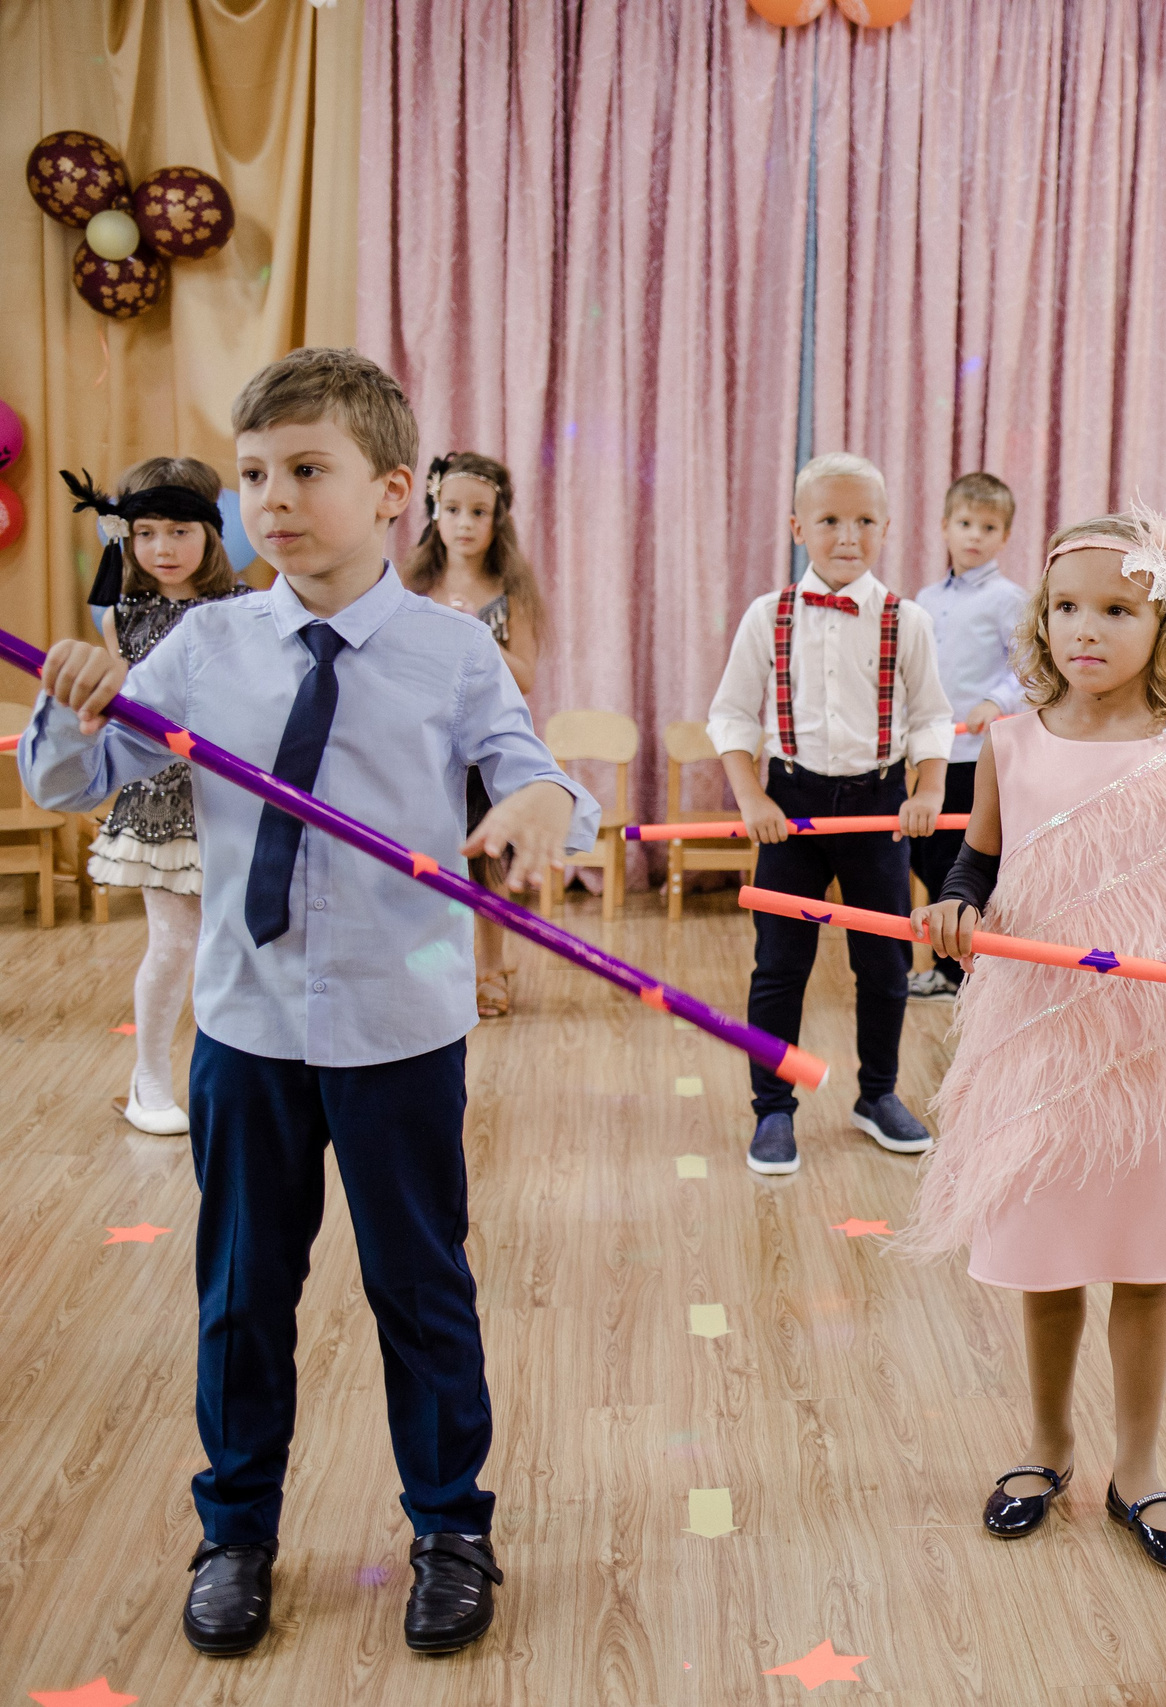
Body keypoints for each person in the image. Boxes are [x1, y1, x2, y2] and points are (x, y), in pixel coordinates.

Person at [21, 347, 599, 1657]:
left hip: (401, 1032)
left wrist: (528, 810)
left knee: (421, 1287)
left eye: (306, 470)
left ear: (393, 488)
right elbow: (74, 780)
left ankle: (453, 1524)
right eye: (253, 475)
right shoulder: (208, 642)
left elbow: (536, 774)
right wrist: (71, 712)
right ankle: (236, 1530)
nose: (269, 498)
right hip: (248, 1025)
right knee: (239, 1294)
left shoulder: (453, 652)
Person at [903, 506, 1166, 1576]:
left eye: (1117, 610)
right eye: (1068, 606)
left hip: (1152, 1047)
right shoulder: (1011, 742)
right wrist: (953, 909)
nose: (1088, 629)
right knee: (1048, 1259)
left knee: (1145, 1261)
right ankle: (1045, 1447)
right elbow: (975, 862)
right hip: (1039, 1031)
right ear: (1041, 618)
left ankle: (1141, 1467)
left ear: (1159, 629)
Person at [706, 452, 954, 1174]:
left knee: (885, 962)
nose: (849, 536)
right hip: (793, 808)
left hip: (879, 808)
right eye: (830, 521)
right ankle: (773, 1108)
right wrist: (752, 798)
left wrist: (928, 791)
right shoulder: (768, 615)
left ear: (886, 527)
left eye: (865, 521)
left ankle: (876, 1093)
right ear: (797, 528)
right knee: (780, 965)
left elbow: (933, 718)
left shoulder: (908, 621)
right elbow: (731, 714)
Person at [61, 458, 253, 1134]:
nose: (162, 549)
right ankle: (149, 1080)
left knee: (234, 943)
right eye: (145, 532)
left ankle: (230, 1082)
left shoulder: (245, 610)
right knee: (175, 942)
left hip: (231, 799)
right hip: (157, 804)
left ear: (211, 532)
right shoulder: (124, 613)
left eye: (179, 530)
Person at [401, 452, 548, 1018]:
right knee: (425, 862)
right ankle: (429, 970)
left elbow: (527, 674)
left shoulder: (511, 590)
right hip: (420, 747)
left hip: (484, 750)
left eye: (478, 512)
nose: (464, 522)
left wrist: (475, 636)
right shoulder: (412, 586)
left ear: (497, 519)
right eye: (452, 508)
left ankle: (491, 967)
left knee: (486, 864)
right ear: (433, 512)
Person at [907, 471, 1027, 1000]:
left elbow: (1029, 666)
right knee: (926, 857)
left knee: (969, 861)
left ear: (1004, 536)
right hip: (928, 751)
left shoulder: (1009, 599)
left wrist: (994, 702)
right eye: (964, 523)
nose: (974, 535)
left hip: (978, 755)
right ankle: (949, 964)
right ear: (944, 528)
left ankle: (969, 972)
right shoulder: (926, 600)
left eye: (988, 526)